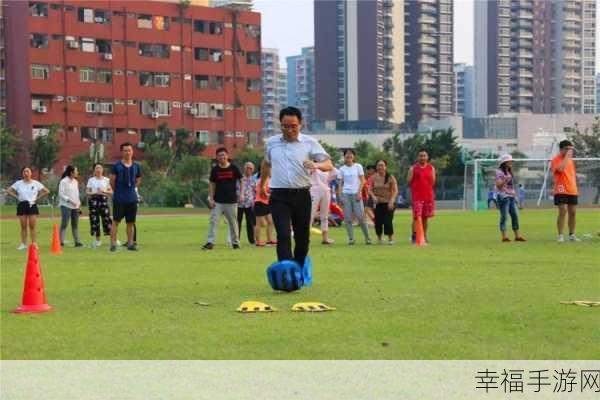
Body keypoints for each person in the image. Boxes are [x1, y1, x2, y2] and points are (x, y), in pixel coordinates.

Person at [259, 106, 332, 266]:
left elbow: (328, 164)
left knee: (302, 237)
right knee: (283, 234)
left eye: (293, 126)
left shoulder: (310, 143)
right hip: (279, 195)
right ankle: (286, 271)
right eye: (285, 126)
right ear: (280, 125)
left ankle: (298, 267)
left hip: (302, 195)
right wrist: (262, 184)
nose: (289, 130)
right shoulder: (272, 143)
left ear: (301, 124)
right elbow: (266, 164)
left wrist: (316, 165)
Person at [203, 147, 242, 250]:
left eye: (223, 155)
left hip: (231, 201)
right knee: (213, 221)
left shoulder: (234, 168)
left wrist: (241, 194)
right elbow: (212, 184)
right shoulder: (215, 170)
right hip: (218, 201)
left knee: (233, 223)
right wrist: (211, 199)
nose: (222, 157)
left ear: (227, 156)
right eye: (220, 155)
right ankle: (210, 242)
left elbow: (241, 180)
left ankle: (235, 243)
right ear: (217, 157)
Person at [6, 167, 50, 249]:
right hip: (22, 204)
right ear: (22, 173)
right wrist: (17, 197)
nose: (26, 173)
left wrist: (37, 198)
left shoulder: (36, 183)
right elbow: (8, 190)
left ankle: (34, 243)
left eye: (28, 171)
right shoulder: (18, 183)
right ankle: (23, 244)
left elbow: (47, 191)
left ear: (31, 173)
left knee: (32, 226)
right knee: (23, 226)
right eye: (24, 171)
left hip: (32, 204)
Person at [110, 142, 142, 252]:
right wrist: (118, 191)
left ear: (132, 152)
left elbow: (138, 180)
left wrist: (132, 190)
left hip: (132, 199)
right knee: (115, 222)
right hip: (119, 199)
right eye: (125, 150)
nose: (127, 152)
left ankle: (130, 243)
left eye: (129, 150)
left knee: (130, 222)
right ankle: (113, 244)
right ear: (122, 152)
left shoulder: (136, 166)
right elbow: (112, 181)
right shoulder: (117, 166)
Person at [337, 149, 372, 245]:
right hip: (346, 194)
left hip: (356, 194)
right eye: (347, 156)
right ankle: (351, 239)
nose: (349, 158)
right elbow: (340, 184)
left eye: (351, 156)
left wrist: (359, 192)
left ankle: (367, 238)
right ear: (344, 157)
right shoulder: (342, 169)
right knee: (348, 218)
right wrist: (340, 196)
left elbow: (362, 180)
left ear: (354, 157)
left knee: (360, 217)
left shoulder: (358, 166)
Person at [551, 139, 579, 242]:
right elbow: (560, 169)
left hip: (572, 189)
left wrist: (575, 186)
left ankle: (572, 235)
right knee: (563, 210)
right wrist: (567, 157)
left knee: (573, 212)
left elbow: (572, 175)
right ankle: (560, 235)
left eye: (571, 149)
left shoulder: (571, 161)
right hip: (561, 189)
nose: (569, 151)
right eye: (567, 149)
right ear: (561, 149)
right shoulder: (556, 159)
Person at [495, 154, 526, 242]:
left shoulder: (509, 172)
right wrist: (505, 179)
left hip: (511, 196)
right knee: (504, 217)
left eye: (511, 161)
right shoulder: (499, 173)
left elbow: (511, 186)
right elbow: (498, 186)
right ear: (504, 163)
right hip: (503, 197)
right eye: (509, 161)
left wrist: (515, 196)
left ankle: (517, 236)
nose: (511, 162)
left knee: (515, 216)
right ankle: (504, 236)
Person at [407, 150, 436, 243]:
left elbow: (433, 182)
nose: (422, 157)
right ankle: (414, 235)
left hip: (428, 197)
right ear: (418, 157)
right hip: (417, 197)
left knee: (425, 217)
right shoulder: (413, 168)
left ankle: (424, 235)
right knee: (416, 217)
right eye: (420, 156)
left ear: (427, 157)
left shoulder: (431, 168)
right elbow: (408, 181)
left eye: (424, 155)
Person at [368, 159, 398, 244]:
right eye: (378, 165)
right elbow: (370, 189)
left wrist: (392, 200)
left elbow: (395, 190)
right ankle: (379, 238)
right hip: (378, 203)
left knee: (387, 221)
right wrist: (373, 196)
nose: (380, 167)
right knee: (378, 222)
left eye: (382, 165)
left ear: (385, 167)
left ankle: (391, 239)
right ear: (376, 167)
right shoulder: (373, 177)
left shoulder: (390, 177)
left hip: (389, 202)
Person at [86, 163, 113, 248]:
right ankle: (97, 240)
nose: (98, 170)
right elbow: (87, 192)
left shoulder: (106, 180)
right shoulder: (91, 180)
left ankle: (113, 239)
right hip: (94, 202)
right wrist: (95, 192)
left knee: (107, 220)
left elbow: (111, 192)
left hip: (104, 201)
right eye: (97, 168)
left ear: (102, 170)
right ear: (94, 170)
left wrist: (104, 191)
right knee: (95, 220)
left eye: (100, 168)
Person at [310, 166, 337, 244]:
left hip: (326, 191)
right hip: (313, 190)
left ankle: (325, 238)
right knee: (310, 215)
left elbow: (335, 172)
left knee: (324, 215)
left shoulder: (327, 167)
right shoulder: (312, 165)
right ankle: (306, 238)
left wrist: (325, 164)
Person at [58, 165, 83, 247]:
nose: (77, 172)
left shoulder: (75, 182)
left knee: (75, 224)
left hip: (75, 206)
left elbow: (76, 194)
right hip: (65, 205)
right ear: (71, 172)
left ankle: (77, 241)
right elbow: (61, 194)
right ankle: (61, 241)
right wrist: (70, 200)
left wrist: (78, 203)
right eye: (76, 171)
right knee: (64, 223)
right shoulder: (64, 181)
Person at [254, 170, 275, 247]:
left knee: (271, 222)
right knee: (258, 223)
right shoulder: (264, 179)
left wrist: (270, 192)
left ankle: (269, 240)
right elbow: (262, 190)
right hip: (260, 203)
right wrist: (270, 195)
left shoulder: (268, 179)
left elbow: (263, 189)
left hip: (265, 203)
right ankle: (258, 242)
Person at [237, 162, 256, 245]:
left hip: (249, 204)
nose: (249, 170)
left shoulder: (253, 179)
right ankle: (236, 239)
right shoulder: (239, 178)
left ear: (253, 170)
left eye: (251, 168)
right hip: (239, 203)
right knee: (237, 222)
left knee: (250, 223)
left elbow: (254, 191)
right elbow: (235, 189)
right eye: (247, 168)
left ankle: (252, 240)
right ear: (244, 168)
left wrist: (254, 201)